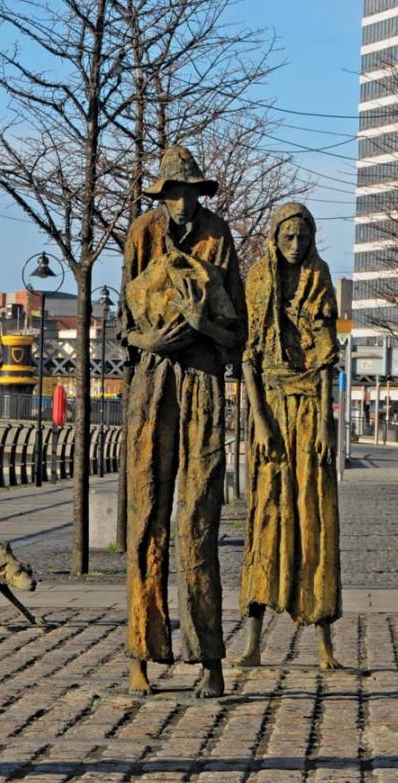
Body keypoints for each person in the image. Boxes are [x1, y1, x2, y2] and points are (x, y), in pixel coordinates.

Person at [121, 145, 245, 699]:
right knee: (145, 513)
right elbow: (124, 326)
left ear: (199, 192)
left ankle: (209, 656)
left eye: (186, 191)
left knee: (198, 518)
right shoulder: (142, 233)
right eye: (170, 193)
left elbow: (236, 333)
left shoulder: (219, 236)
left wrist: (201, 326)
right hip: (152, 382)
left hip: (201, 382)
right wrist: (149, 339)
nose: (179, 202)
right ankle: (140, 654)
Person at [237, 202, 342, 670]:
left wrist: (324, 422)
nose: (296, 245)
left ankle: (324, 645)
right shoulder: (259, 280)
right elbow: (249, 359)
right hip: (273, 413)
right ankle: (253, 643)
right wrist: (258, 420)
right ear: (275, 237)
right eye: (288, 237)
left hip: (308, 414)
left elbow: (325, 361)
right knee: (267, 517)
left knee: (314, 517)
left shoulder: (320, 279)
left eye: (303, 237)